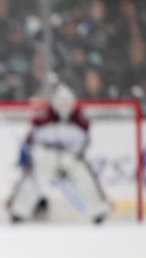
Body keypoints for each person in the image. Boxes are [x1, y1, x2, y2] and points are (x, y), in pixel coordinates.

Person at [7, 84, 111, 224]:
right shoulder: (42, 117)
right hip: (45, 155)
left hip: (70, 157)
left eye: (67, 103)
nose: (64, 107)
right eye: (61, 103)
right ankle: (18, 211)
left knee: (83, 175)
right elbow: (32, 141)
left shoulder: (80, 120)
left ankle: (99, 209)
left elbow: (83, 143)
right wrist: (33, 157)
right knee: (35, 177)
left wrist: (70, 159)